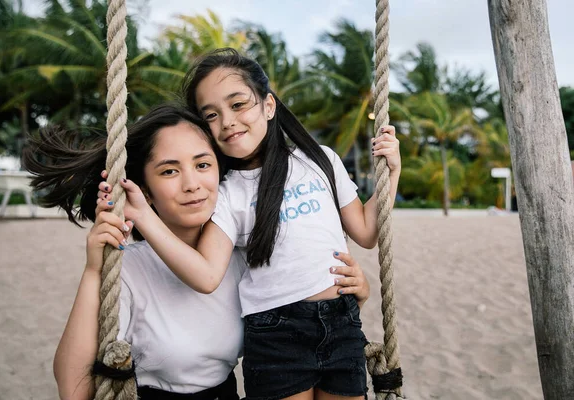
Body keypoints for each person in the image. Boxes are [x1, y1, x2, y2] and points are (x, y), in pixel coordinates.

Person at [98, 48, 401, 400]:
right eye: (211, 114)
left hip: (342, 323)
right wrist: (144, 217)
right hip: (276, 335)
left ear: (268, 106)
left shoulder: (321, 159)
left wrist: (391, 175)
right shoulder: (228, 194)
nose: (227, 120)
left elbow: (366, 232)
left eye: (238, 104)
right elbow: (206, 275)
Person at [23, 104, 372, 400]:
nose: (192, 184)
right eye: (170, 170)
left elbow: (306, 314)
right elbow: (73, 390)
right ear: (144, 188)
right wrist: (93, 272)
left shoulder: (243, 255)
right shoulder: (128, 269)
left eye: (203, 165)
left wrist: (356, 288)